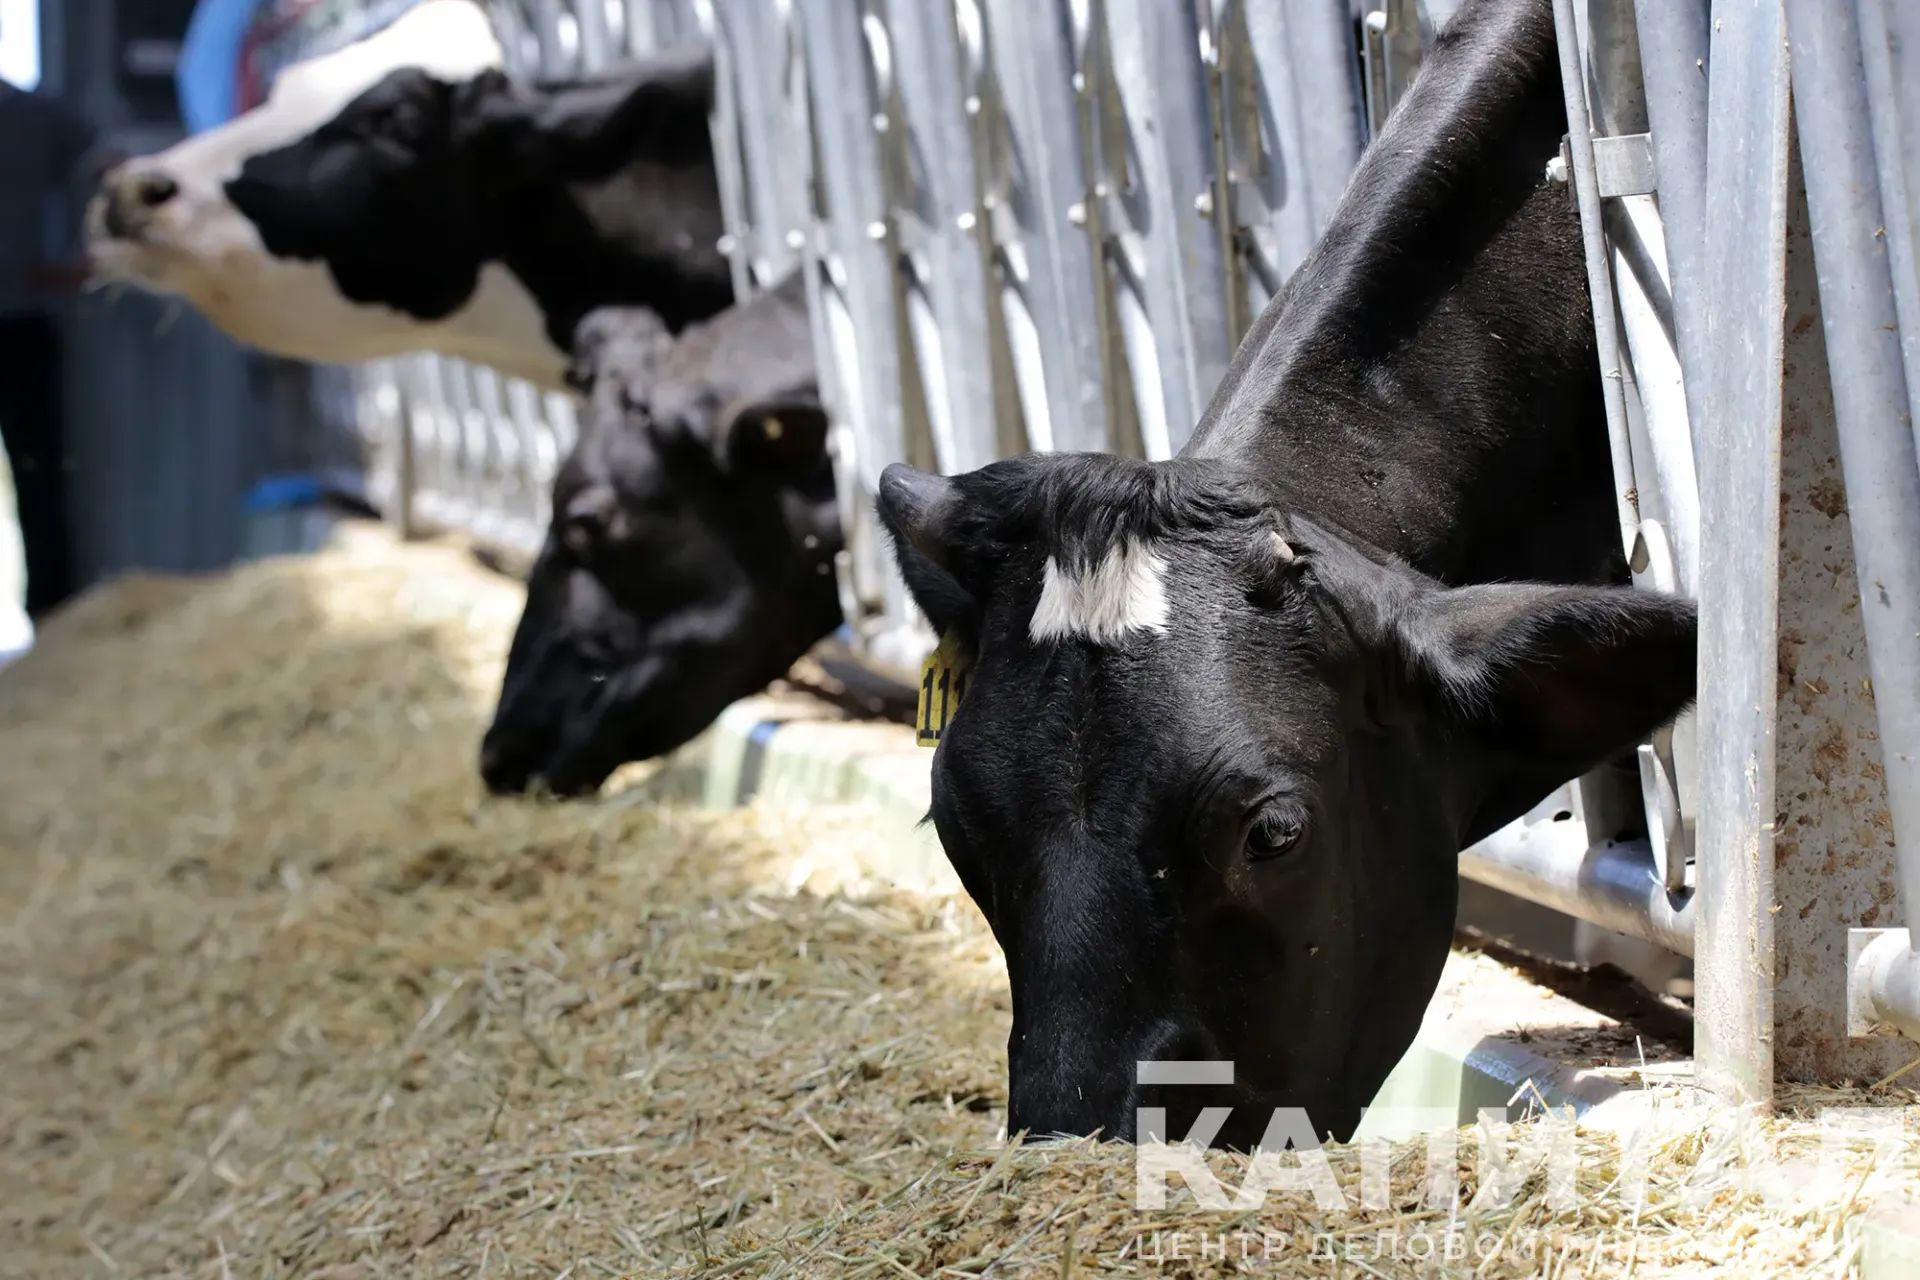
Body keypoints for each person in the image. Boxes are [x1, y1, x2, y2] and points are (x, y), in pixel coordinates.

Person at [0, 76, 117, 618]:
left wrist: (89, 263)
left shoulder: (36, 116)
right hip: (22, 319)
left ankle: (51, 618)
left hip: (19, 326)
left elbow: (112, 167)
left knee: (39, 475)